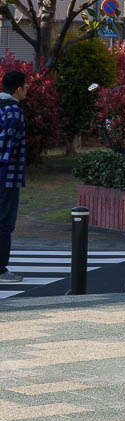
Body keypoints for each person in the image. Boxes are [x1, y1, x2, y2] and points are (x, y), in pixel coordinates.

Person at [0, 70, 28, 285]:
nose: (27, 89)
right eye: (25, 86)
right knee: (4, 223)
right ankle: (1, 269)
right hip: (6, 179)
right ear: (18, 89)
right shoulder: (13, 112)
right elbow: (5, 148)